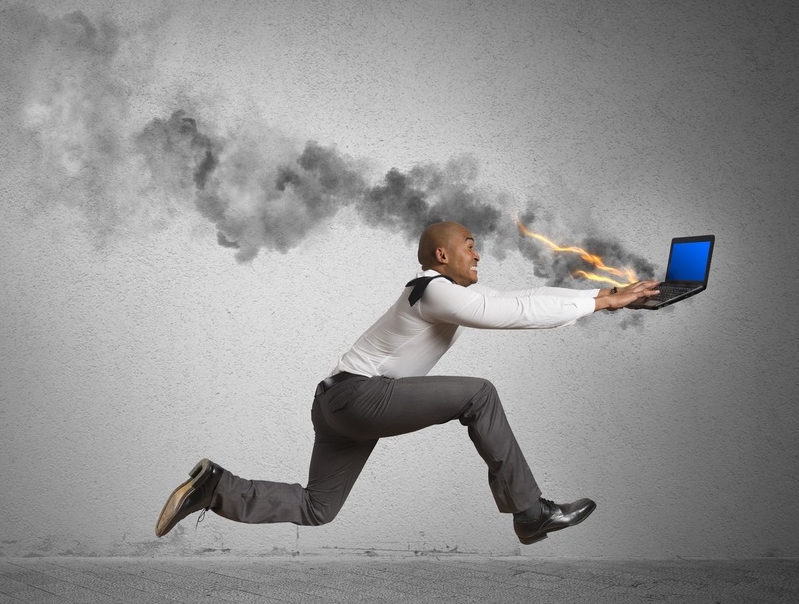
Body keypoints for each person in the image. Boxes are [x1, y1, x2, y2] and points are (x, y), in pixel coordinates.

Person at [155, 221, 659, 545]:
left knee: (318, 507)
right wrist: (602, 301)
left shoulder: (438, 293)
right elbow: (512, 311)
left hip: (335, 402)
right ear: (441, 257)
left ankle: (214, 487)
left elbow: (519, 300)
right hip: (358, 396)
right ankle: (530, 513)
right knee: (478, 395)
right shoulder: (434, 290)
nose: (478, 255)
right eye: (469, 246)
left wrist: (607, 294)